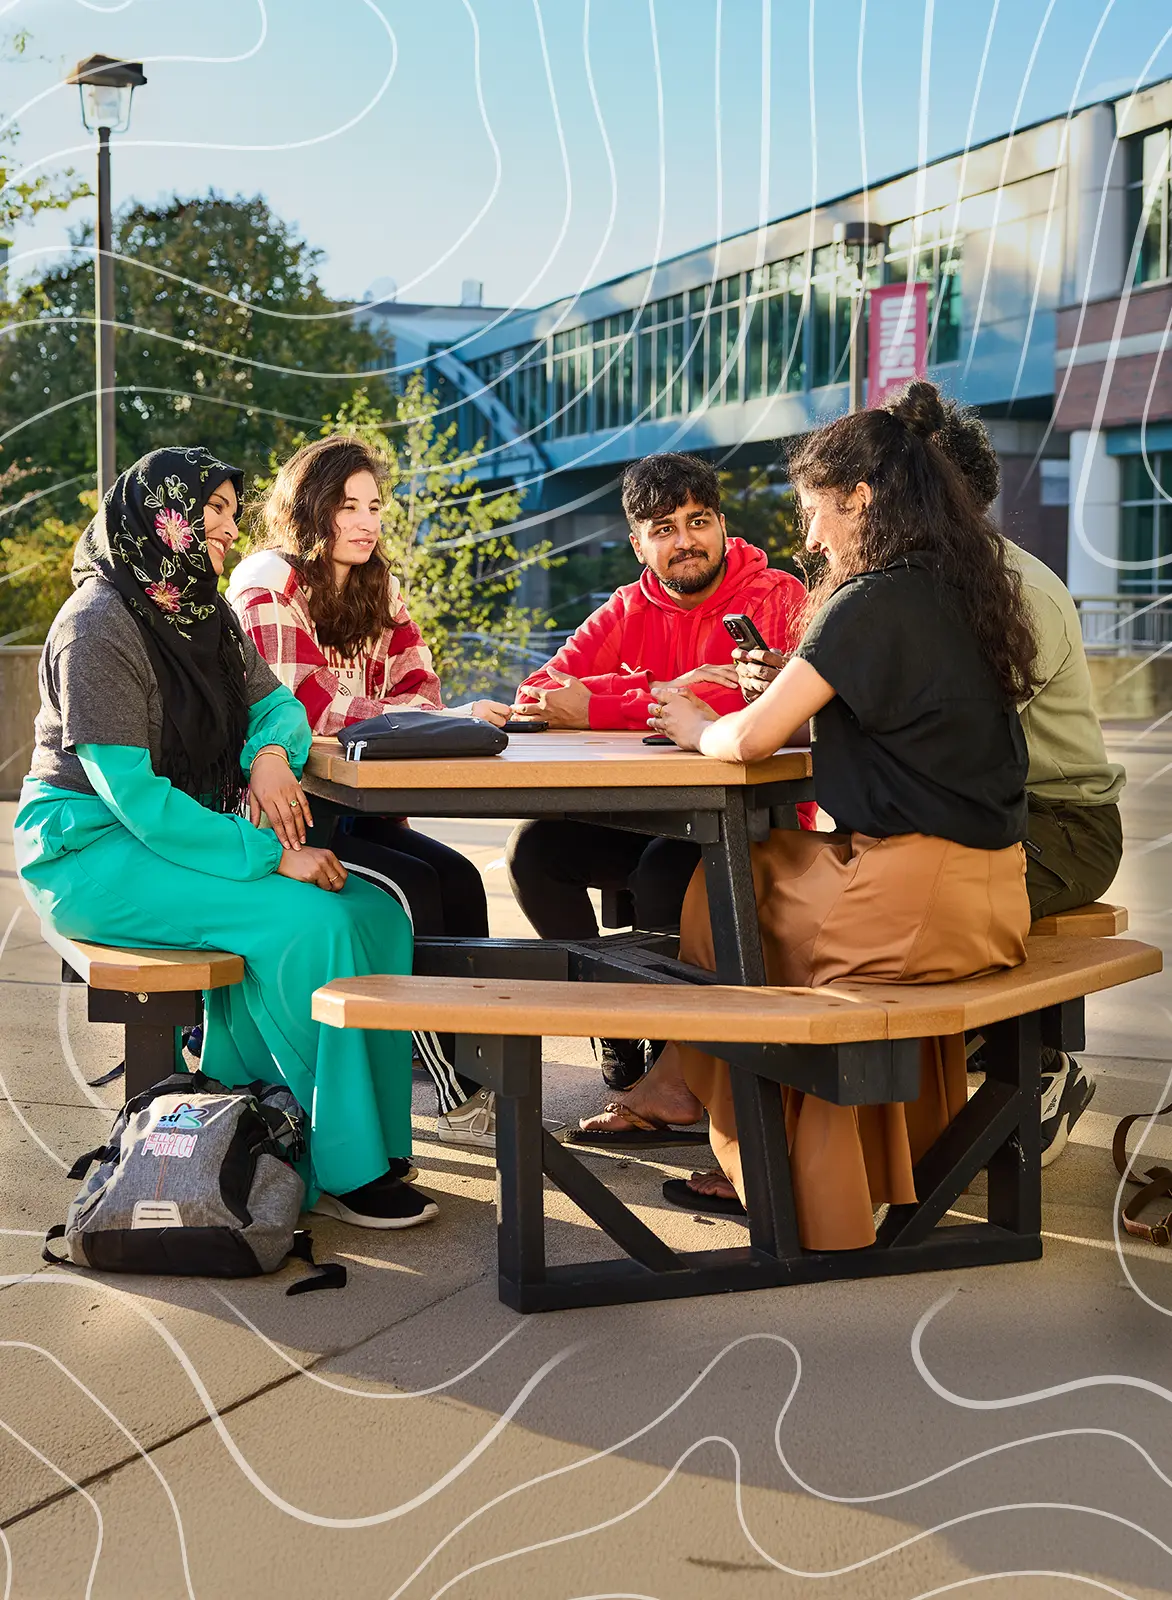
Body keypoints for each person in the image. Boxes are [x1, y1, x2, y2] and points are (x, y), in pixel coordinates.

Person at [586, 380, 1038, 1247]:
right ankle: (813, 1147)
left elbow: (749, 739)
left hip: (910, 903)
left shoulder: (867, 601)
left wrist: (695, 723)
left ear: (858, 498)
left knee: (718, 901)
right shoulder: (962, 587)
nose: (811, 535)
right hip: (991, 895)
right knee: (749, 881)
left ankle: (773, 1165)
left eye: (813, 509)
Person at [15, 448, 435, 1229]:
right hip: (88, 849)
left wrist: (269, 755)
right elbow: (139, 802)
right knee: (310, 923)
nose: (228, 528)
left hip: (173, 836)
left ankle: (344, 1132)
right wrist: (274, 855)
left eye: (233, 513)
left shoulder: (202, 613)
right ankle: (340, 1162)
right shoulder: (95, 627)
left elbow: (278, 707)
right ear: (160, 516)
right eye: (211, 510)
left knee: (377, 915)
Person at [735, 400, 1123, 1165]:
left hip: (1060, 822)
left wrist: (823, 686)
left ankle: (1031, 1067)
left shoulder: (1000, 589)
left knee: (842, 915)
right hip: (993, 813)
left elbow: (947, 737)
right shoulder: (939, 581)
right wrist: (823, 680)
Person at [228, 434, 514, 1149]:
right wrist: (408, 716)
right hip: (284, 818)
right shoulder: (267, 582)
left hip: (356, 805)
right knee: (410, 892)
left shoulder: (376, 585)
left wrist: (408, 714)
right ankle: (456, 1096)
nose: (364, 522)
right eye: (346, 506)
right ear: (308, 510)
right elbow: (303, 703)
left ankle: (475, 1069)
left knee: (458, 878)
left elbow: (422, 688)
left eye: (374, 507)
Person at [506, 451, 811, 1088]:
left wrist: (602, 703)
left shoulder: (774, 594)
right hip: (647, 814)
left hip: (757, 823)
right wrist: (662, 688)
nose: (686, 541)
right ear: (638, 544)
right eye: (664, 529)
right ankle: (613, 1023)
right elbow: (537, 693)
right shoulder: (627, 607)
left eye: (698, 521)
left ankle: (676, 1067)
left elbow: (740, 705)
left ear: (722, 523)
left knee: (660, 872)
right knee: (533, 850)